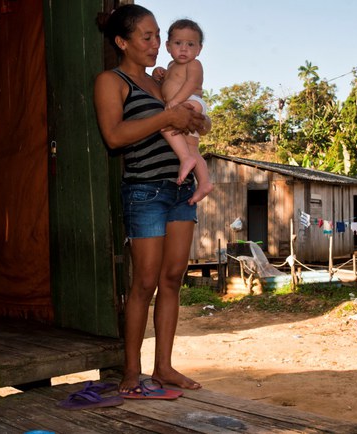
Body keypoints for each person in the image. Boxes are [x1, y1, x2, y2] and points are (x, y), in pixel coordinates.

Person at [94, 4, 208, 394]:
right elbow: (114, 136)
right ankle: (131, 369)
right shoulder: (111, 81)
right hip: (145, 190)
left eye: (159, 35)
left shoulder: (161, 81)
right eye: (147, 36)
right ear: (122, 41)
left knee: (173, 279)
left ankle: (164, 367)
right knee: (143, 282)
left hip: (181, 188)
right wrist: (166, 119)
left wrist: (198, 118)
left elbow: (195, 123)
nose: (157, 44)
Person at [152, 19, 213, 205]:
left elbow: (191, 84)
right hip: (181, 106)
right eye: (178, 43)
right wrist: (158, 73)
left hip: (192, 103)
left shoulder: (195, 64)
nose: (184, 49)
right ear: (168, 46)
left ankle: (185, 158)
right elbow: (166, 86)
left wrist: (176, 102)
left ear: (199, 49)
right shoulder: (170, 66)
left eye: (190, 44)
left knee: (164, 123)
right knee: (193, 147)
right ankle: (204, 182)